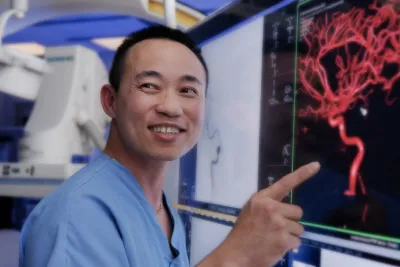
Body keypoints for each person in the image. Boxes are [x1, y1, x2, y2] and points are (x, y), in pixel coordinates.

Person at [19, 25, 320, 267]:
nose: (171, 107)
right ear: (110, 101)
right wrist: (234, 258)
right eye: (150, 86)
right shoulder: (78, 215)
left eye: (188, 90)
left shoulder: (162, 211)